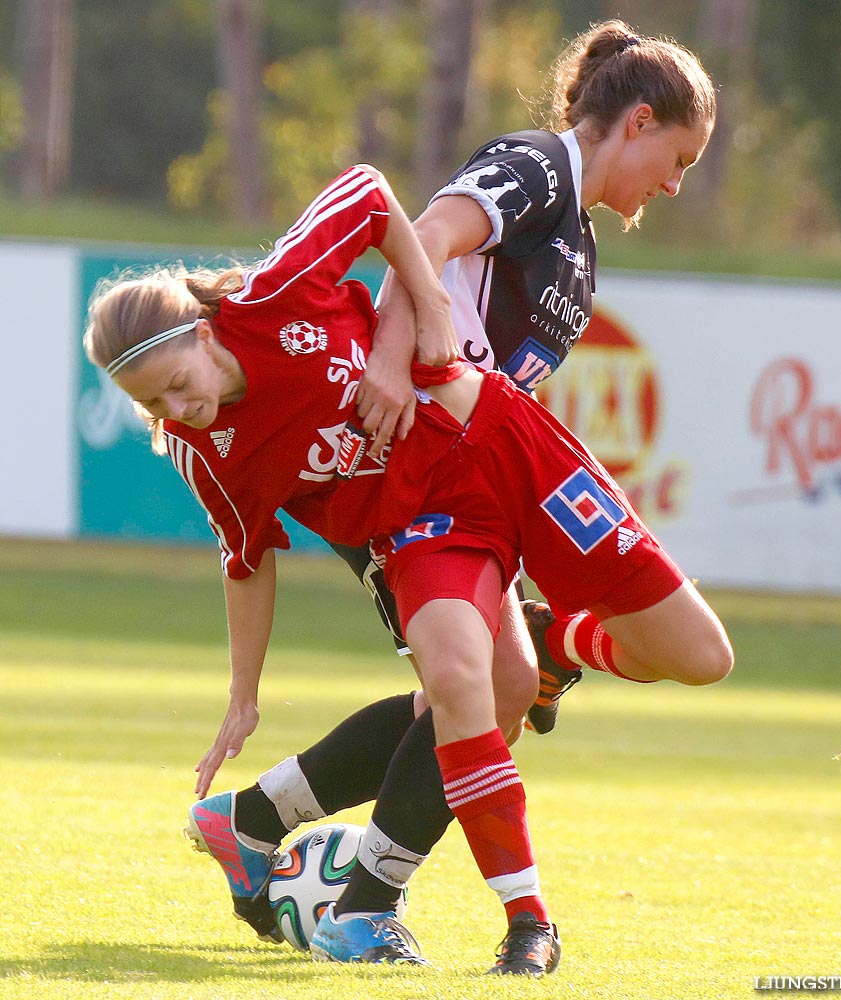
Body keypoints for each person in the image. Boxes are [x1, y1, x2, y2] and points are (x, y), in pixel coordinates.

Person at [85, 171, 730, 974]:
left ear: (208, 337)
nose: (180, 412)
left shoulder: (274, 298)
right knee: (478, 688)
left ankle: (261, 818)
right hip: (423, 522)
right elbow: (245, 562)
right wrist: (241, 698)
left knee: (696, 659)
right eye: (157, 408)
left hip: (507, 441)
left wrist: (423, 314)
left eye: (179, 386)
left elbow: (367, 193)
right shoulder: (205, 452)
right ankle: (418, 911)